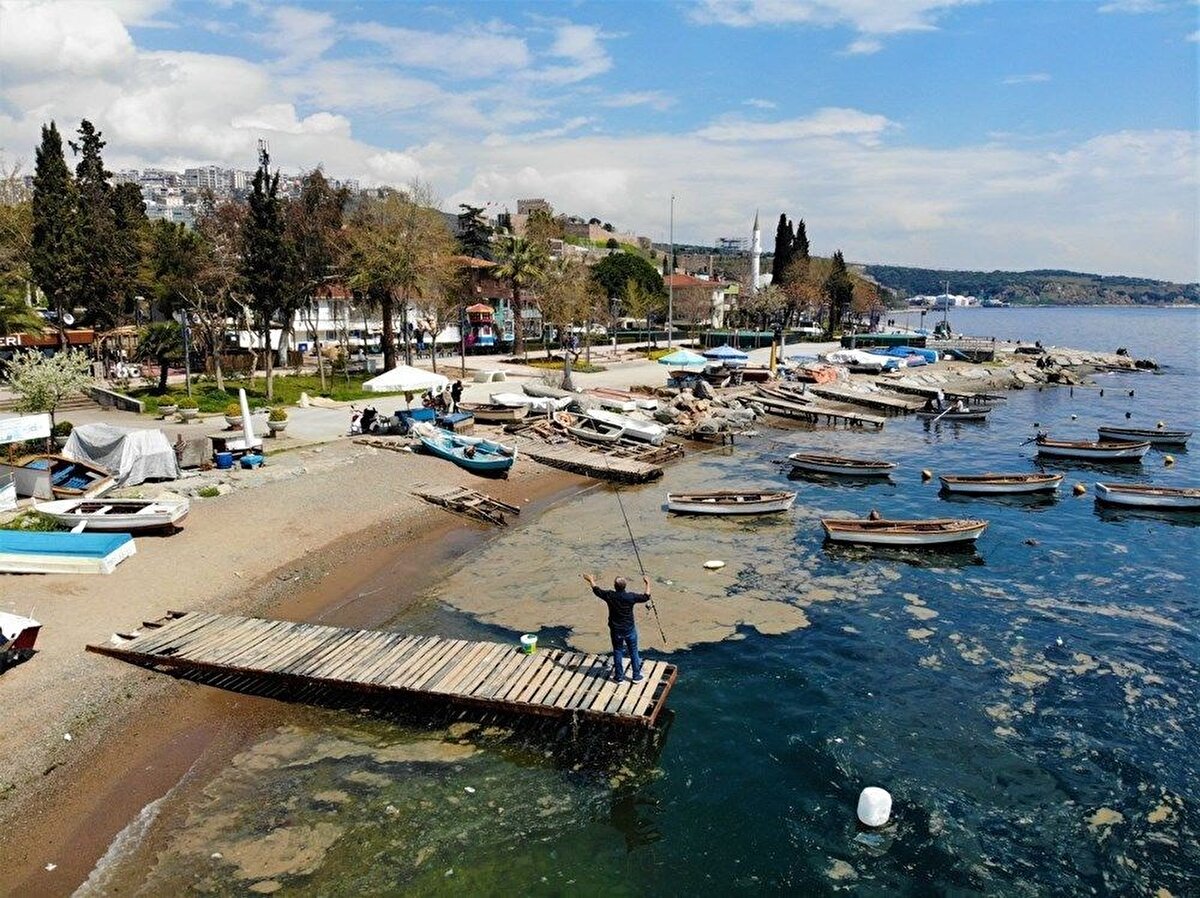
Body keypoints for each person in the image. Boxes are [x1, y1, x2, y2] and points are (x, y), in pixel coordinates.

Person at [583, 573, 652, 682]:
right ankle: (636, 676)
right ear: (625, 586)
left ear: (615, 586)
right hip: (629, 629)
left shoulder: (610, 595)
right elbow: (646, 597)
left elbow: (597, 590)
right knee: (633, 651)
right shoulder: (630, 596)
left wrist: (590, 580)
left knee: (618, 651)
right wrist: (648, 583)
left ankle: (619, 677)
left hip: (616, 630)